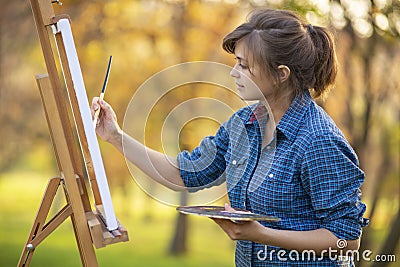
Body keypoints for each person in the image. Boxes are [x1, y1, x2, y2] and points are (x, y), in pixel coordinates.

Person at [92, 8, 368, 267]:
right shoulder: (242, 125)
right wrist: (115, 136)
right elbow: (183, 173)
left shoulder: (318, 140)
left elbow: (347, 241)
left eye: (245, 66)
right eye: (236, 62)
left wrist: (261, 234)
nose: (234, 72)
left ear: (281, 74)